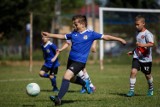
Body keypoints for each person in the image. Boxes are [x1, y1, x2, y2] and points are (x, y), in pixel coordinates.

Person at [42, 15, 126, 106]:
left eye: (75, 24)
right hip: (70, 60)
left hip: (79, 62)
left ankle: (58, 99)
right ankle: (85, 83)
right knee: (72, 79)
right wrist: (50, 35)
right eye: (73, 24)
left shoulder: (91, 34)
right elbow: (62, 36)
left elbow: (106, 37)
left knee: (66, 77)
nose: (74, 26)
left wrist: (119, 39)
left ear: (83, 24)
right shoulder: (74, 33)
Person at [126, 15, 154, 97]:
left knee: (147, 75)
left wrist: (142, 44)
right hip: (137, 56)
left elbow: (151, 44)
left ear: (143, 23)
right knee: (133, 71)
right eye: (135, 24)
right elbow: (139, 46)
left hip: (146, 59)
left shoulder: (148, 34)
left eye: (138, 24)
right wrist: (133, 51)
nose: (136, 26)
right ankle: (131, 91)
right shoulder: (137, 33)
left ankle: (151, 88)